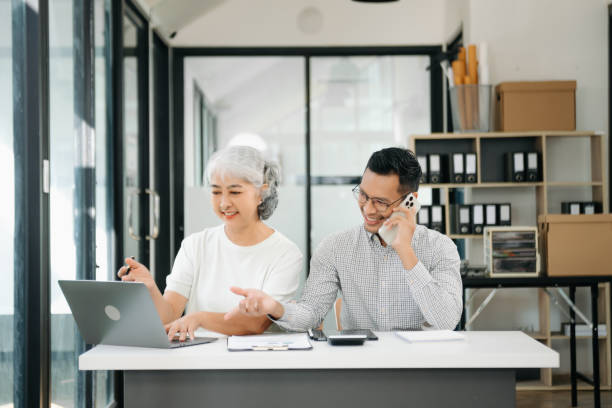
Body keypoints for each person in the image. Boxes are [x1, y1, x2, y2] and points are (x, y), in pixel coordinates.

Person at [225, 147, 462, 331]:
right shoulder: (335, 247)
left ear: (410, 201)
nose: (368, 209)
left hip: (420, 370)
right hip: (359, 368)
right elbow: (311, 314)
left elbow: (447, 321)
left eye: (380, 202)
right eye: (363, 195)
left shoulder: (440, 248)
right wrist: (275, 308)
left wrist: (405, 252)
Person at [118, 145, 303, 340]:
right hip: (198, 362)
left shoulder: (286, 253)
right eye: (216, 192)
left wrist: (200, 319)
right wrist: (149, 288)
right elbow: (169, 315)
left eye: (235, 192)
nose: (224, 203)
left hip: (254, 364)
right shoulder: (195, 245)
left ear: (261, 194)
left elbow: (255, 323)